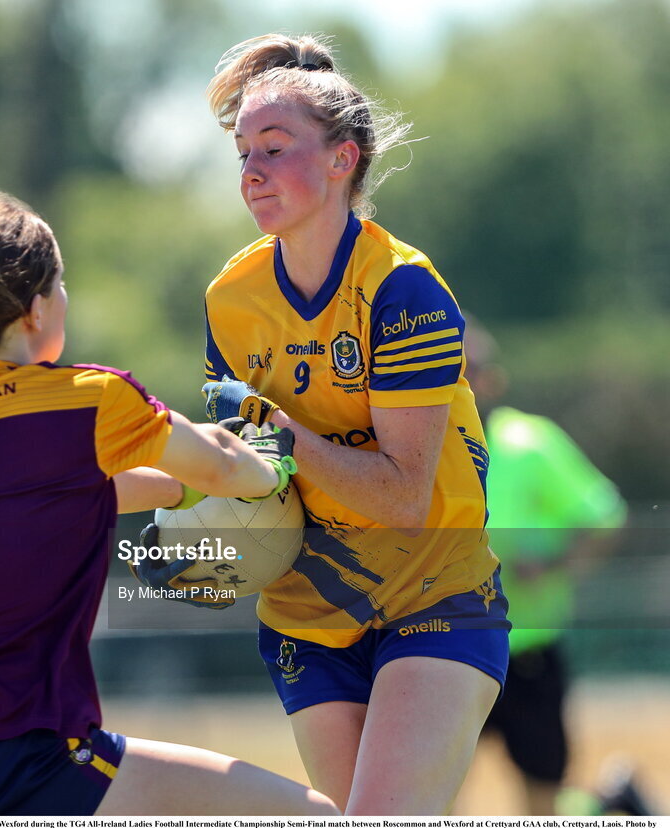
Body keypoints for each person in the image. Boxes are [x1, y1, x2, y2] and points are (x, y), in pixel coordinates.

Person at [0, 189, 339, 817]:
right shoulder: (83, 398)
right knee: (312, 815)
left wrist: (179, 490)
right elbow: (221, 460)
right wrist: (275, 466)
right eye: (60, 284)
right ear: (34, 310)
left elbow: (69, 500)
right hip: (29, 748)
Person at [172, 34, 511, 815]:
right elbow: (247, 468)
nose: (252, 170)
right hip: (304, 615)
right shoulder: (230, 300)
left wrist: (280, 434)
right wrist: (191, 533)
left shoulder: (405, 291)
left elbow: (402, 497)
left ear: (342, 159)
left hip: (437, 596)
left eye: (276, 148)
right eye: (243, 152)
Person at [463, 318, 629, 815]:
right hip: (443, 652)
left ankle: (610, 805)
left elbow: (603, 517)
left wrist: (551, 563)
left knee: (542, 800)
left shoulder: (529, 442)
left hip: (528, 654)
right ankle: (611, 805)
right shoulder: (411, 451)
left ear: (492, 379)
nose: (462, 380)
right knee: (426, 801)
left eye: (470, 369)